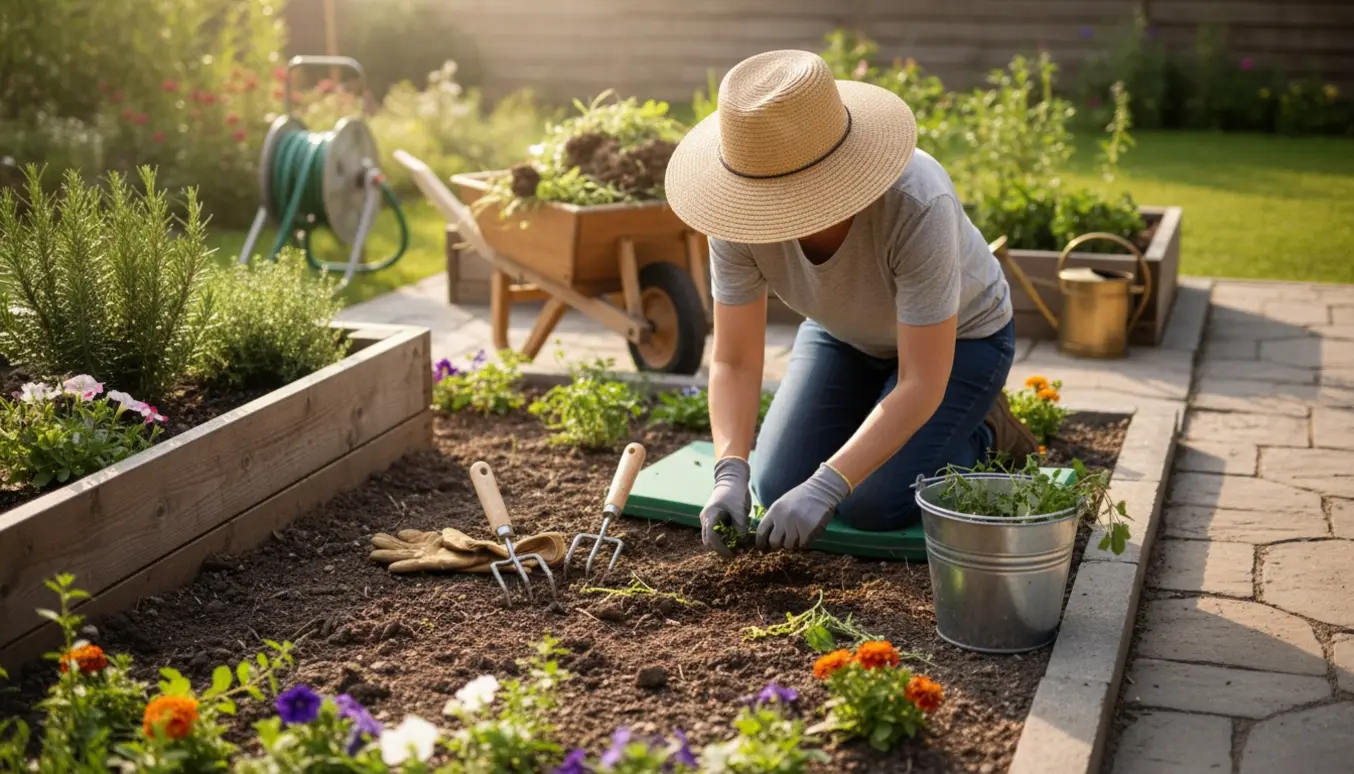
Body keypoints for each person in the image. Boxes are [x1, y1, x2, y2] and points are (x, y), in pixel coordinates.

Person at [663, 49, 1038, 557]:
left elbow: (920, 380)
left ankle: (987, 431)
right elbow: (734, 359)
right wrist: (729, 472)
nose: (771, 213)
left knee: (873, 503)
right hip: (843, 334)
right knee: (775, 485)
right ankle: (879, 415)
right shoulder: (736, 214)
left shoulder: (916, 202)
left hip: (964, 340)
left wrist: (828, 484)